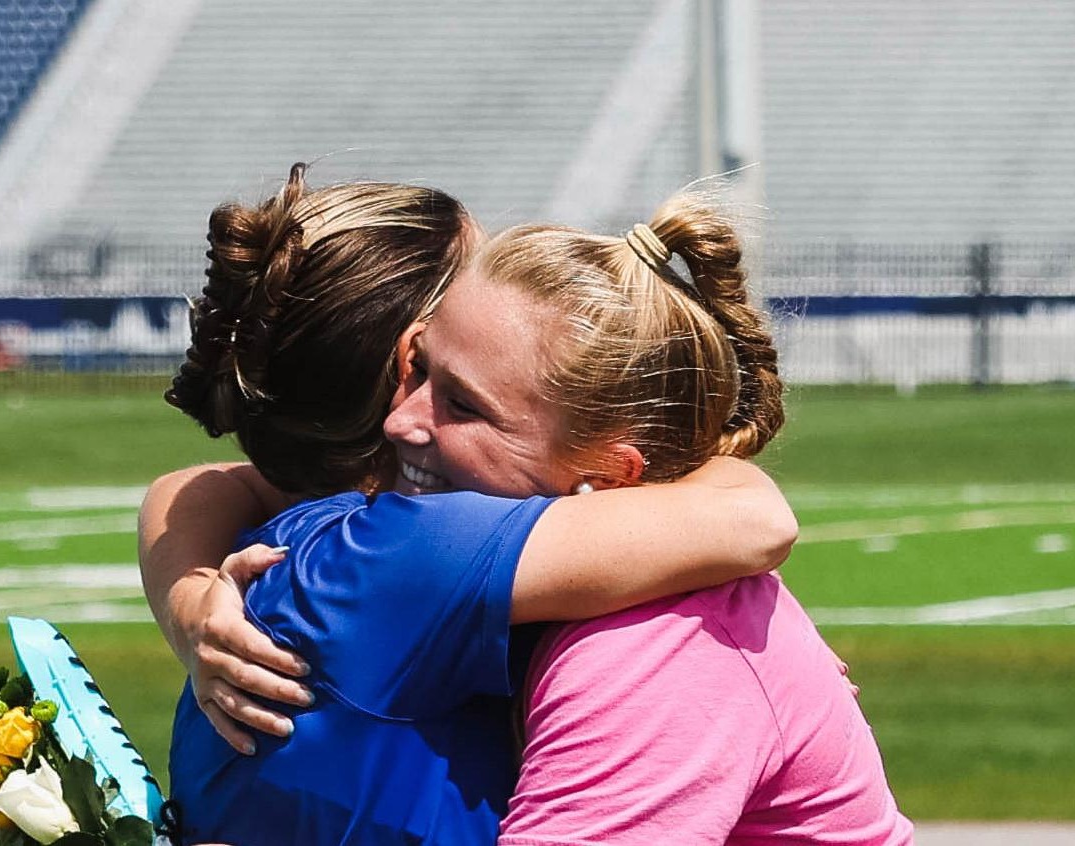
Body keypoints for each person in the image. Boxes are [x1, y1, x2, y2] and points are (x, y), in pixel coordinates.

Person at [141, 166, 803, 845]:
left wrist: (189, 597)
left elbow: (200, 484)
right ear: (407, 357)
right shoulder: (420, 547)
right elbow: (753, 520)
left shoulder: (294, 540)